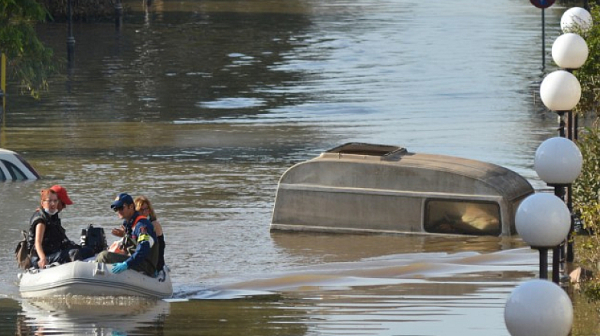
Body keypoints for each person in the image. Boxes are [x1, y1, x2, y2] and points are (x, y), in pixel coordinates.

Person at [96, 193, 159, 276]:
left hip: (145, 264)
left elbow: (143, 248)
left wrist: (127, 263)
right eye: (116, 209)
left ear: (131, 207)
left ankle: (97, 277)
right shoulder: (129, 224)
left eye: (121, 208)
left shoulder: (141, 225)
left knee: (104, 256)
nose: (118, 211)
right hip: (136, 260)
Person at [27, 188, 89, 269]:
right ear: (42, 203)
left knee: (88, 251)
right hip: (41, 257)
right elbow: (37, 243)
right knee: (73, 253)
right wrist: (42, 258)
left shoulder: (52, 216)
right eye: (49, 201)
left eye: (55, 201)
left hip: (54, 252)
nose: (53, 204)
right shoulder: (41, 220)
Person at [134, 196, 166, 272]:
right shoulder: (136, 224)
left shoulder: (154, 224)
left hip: (154, 262)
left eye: (146, 209)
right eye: (141, 210)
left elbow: (160, 247)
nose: (144, 212)